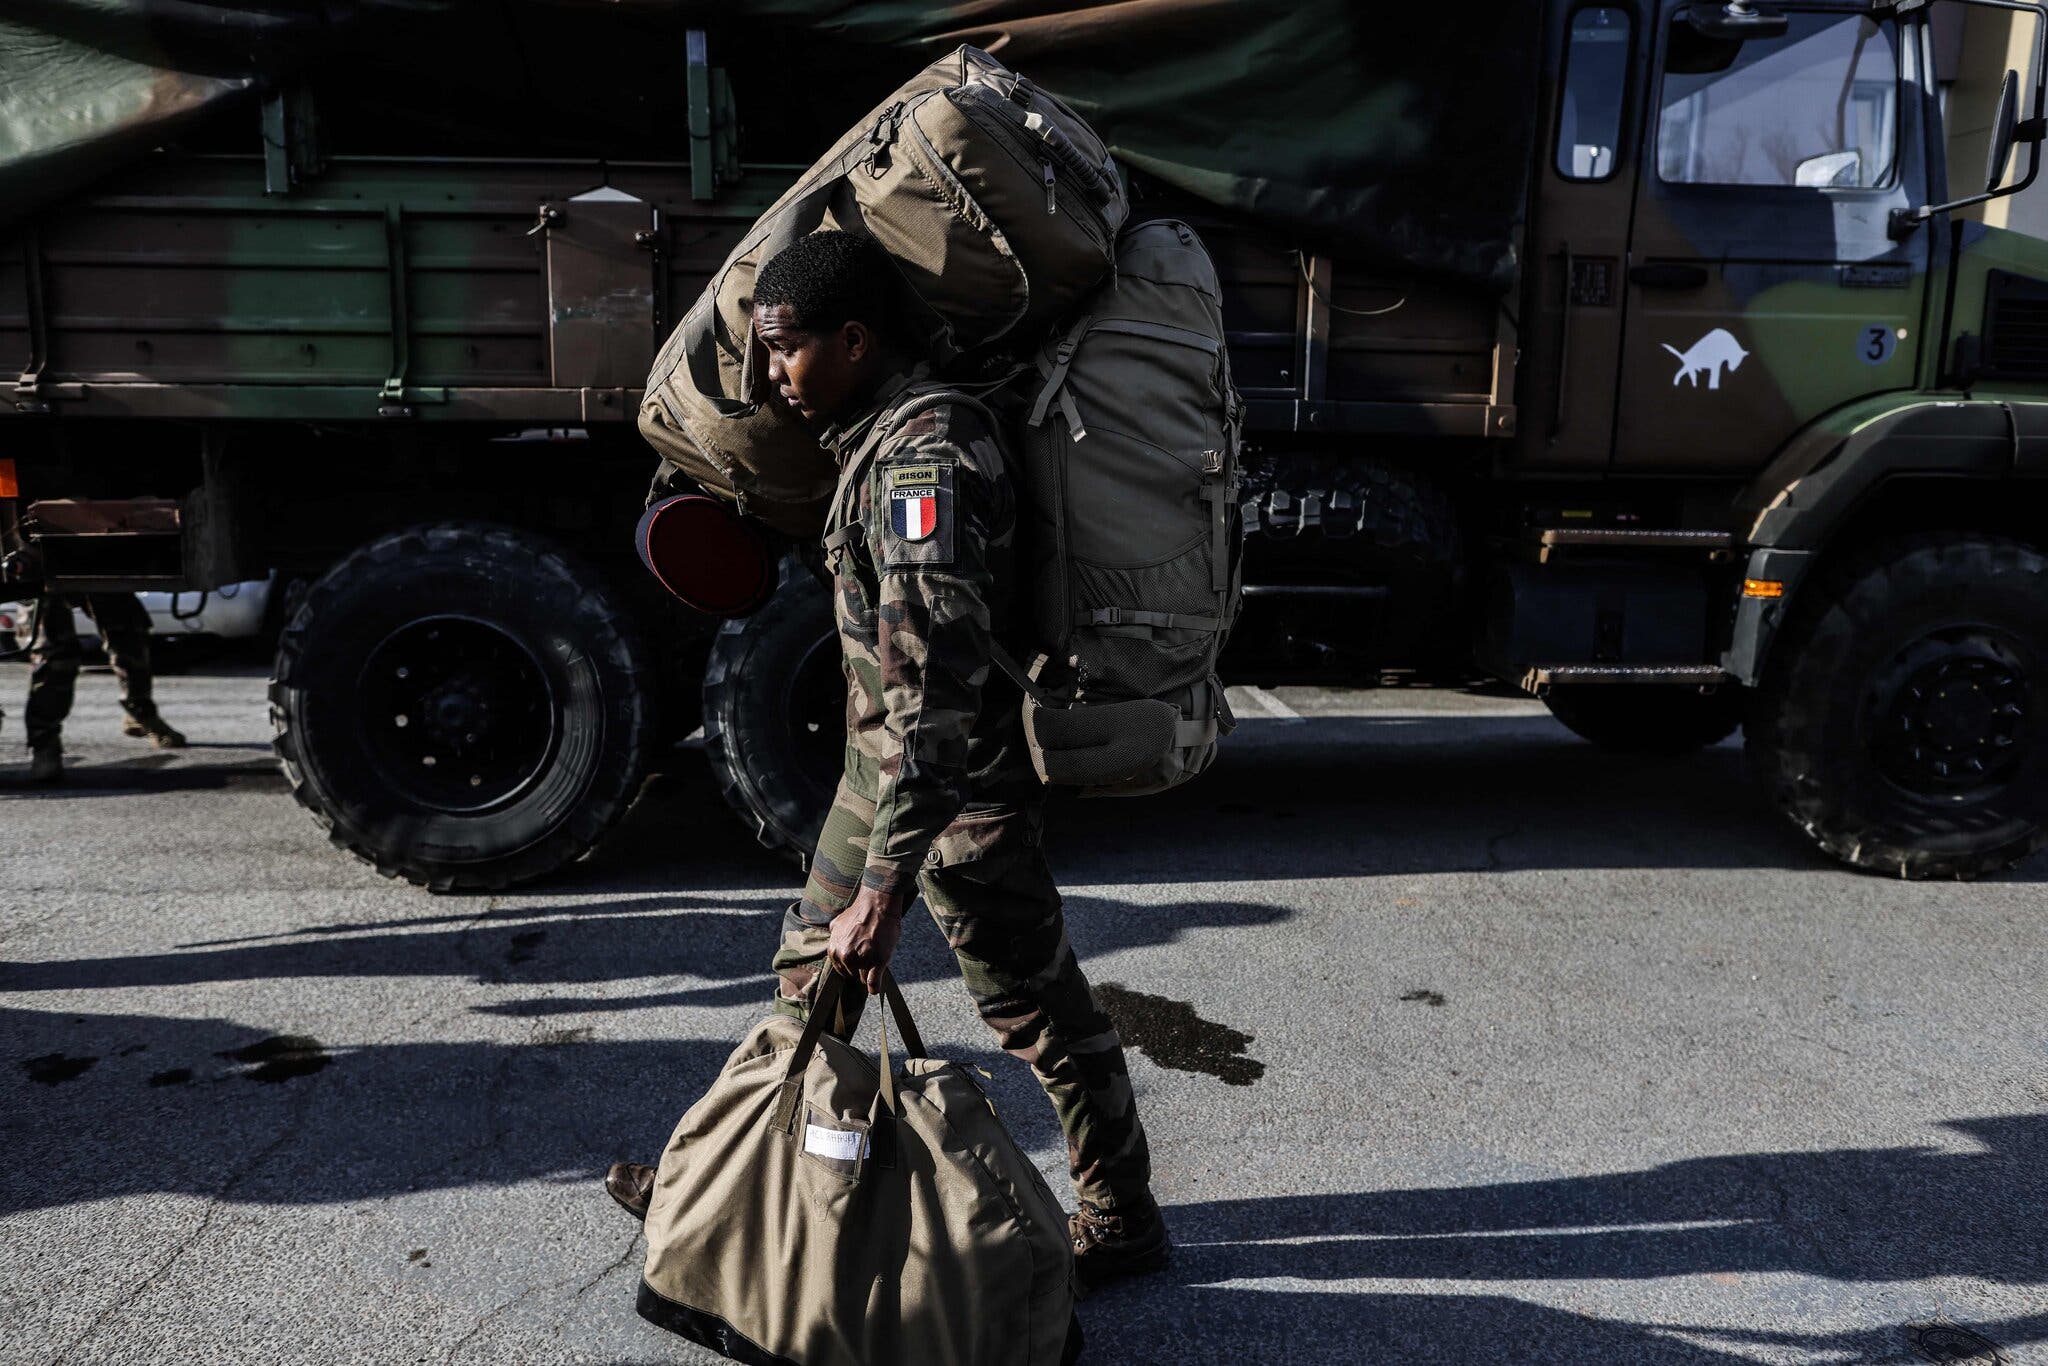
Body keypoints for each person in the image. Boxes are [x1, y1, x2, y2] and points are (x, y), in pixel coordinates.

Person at [606, 230, 1170, 1293]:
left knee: (1037, 1013)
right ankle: (722, 1185)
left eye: (787, 350)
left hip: (952, 790)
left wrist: (881, 886)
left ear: (855, 340)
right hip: (881, 774)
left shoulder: (924, 462)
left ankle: (1122, 1215)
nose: (773, 375)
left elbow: (938, 696)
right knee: (806, 980)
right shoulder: (874, 436)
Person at [7, 592, 185, 783]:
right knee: (56, 651)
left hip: (74, 569)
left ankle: (140, 712)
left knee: (126, 630)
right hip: (48, 572)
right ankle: (45, 747)